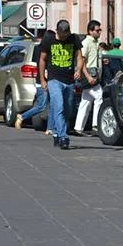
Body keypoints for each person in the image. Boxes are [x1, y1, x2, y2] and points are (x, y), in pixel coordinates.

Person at [38, 19, 85, 150]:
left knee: (68, 109)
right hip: (54, 79)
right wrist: (42, 79)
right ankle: (63, 137)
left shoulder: (74, 39)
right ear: (58, 31)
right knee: (58, 106)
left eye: (67, 33)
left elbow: (80, 57)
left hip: (69, 80)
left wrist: (79, 70)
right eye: (63, 34)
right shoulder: (49, 40)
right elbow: (42, 60)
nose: (65, 36)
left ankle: (57, 133)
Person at [15, 30, 55, 131]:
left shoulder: (49, 49)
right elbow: (41, 63)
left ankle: (49, 128)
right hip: (42, 81)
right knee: (42, 105)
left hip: (50, 80)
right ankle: (22, 117)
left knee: (52, 105)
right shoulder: (40, 49)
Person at [74, 20, 104, 135]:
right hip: (89, 74)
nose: (99, 32)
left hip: (94, 73)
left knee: (85, 101)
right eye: (97, 30)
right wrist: (87, 76)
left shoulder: (96, 42)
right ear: (90, 31)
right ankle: (96, 125)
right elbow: (82, 60)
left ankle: (78, 127)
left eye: (100, 30)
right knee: (99, 96)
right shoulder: (86, 42)